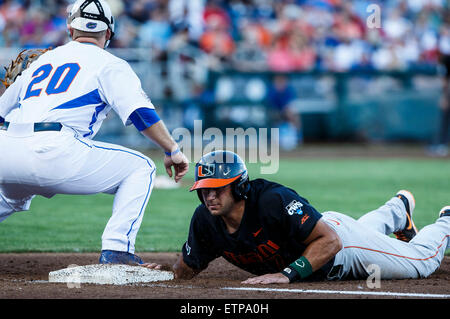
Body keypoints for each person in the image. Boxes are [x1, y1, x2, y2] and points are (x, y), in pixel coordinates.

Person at [0, 0, 189, 265]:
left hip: (6, 146)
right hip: (54, 148)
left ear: (70, 28)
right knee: (142, 167)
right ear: (109, 33)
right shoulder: (109, 64)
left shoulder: (40, 62)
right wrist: (173, 150)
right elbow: (140, 114)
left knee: (11, 195)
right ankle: (117, 251)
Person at [150, 150, 449, 284]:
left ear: (239, 186)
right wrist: (166, 271)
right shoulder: (205, 219)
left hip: (343, 250)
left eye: (218, 189)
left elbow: (330, 242)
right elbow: (186, 270)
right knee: (365, 230)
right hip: (322, 230)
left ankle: (446, 220)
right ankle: (397, 209)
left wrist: (287, 274)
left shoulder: (271, 201)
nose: (210, 196)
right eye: (204, 189)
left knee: (420, 262)